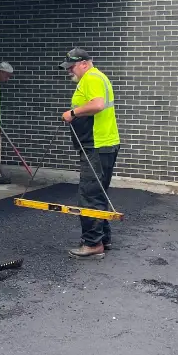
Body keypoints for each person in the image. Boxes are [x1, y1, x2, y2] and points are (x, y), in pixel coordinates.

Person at [60, 48, 120, 259]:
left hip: (96, 145)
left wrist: (72, 113)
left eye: (72, 67)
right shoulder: (98, 77)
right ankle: (103, 238)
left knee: (89, 195)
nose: (69, 71)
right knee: (98, 194)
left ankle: (93, 244)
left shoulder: (91, 78)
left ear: (84, 63)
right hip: (104, 144)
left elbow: (97, 104)